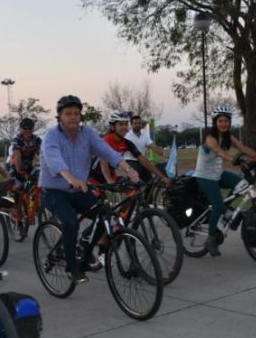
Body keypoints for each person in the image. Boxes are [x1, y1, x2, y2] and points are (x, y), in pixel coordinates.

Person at [39, 95, 140, 284]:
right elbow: (55, 160)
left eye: (76, 113)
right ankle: (72, 267)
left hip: (79, 190)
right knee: (71, 223)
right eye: (68, 113)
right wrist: (71, 178)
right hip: (54, 191)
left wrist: (129, 169)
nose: (73, 117)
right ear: (59, 116)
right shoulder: (51, 136)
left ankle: (84, 254)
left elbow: (106, 151)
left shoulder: (88, 133)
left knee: (105, 215)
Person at [193, 106, 256, 257]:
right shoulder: (209, 137)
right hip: (204, 176)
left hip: (218, 174)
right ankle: (211, 239)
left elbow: (243, 148)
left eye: (226, 121)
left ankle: (226, 213)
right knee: (217, 206)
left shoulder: (228, 137)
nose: (224, 124)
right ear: (215, 122)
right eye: (221, 121)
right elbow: (218, 150)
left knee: (243, 184)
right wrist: (233, 159)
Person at [97, 110, 170, 185]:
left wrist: (162, 177)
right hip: (94, 177)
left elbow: (143, 160)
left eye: (126, 124)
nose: (125, 127)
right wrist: (109, 181)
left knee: (132, 190)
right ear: (112, 127)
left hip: (112, 175)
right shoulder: (105, 141)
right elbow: (103, 163)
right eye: (121, 124)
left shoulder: (126, 143)